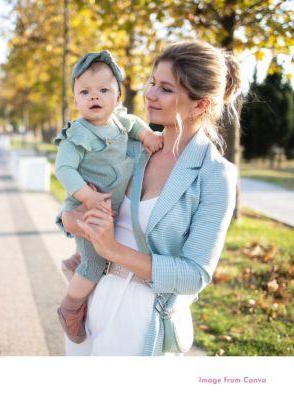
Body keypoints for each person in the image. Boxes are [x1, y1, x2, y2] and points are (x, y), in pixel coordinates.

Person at [58, 40, 241, 356]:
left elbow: (194, 275)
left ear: (200, 105)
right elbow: (71, 208)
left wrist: (112, 249)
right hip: (90, 302)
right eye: (152, 82)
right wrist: (73, 220)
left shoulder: (214, 174)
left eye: (166, 89)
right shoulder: (128, 145)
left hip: (142, 317)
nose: (150, 94)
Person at [54, 50, 164, 344]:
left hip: (108, 207)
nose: (95, 97)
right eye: (85, 91)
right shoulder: (77, 134)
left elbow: (136, 125)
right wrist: (87, 197)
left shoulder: (119, 121)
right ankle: (70, 307)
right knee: (95, 265)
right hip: (86, 207)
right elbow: (63, 169)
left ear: (117, 98)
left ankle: (75, 260)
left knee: (93, 256)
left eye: (104, 90)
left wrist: (148, 137)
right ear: (75, 100)